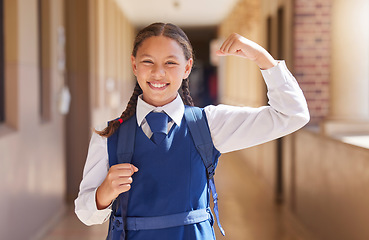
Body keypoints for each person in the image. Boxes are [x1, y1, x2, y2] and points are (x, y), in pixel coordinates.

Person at [75, 22, 310, 240]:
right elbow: (85, 213)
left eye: (170, 63)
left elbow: (291, 115)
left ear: (187, 67)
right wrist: (103, 194)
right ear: (134, 65)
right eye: (148, 62)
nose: (158, 73)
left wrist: (261, 57)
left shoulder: (209, 124)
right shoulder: (109, 137)